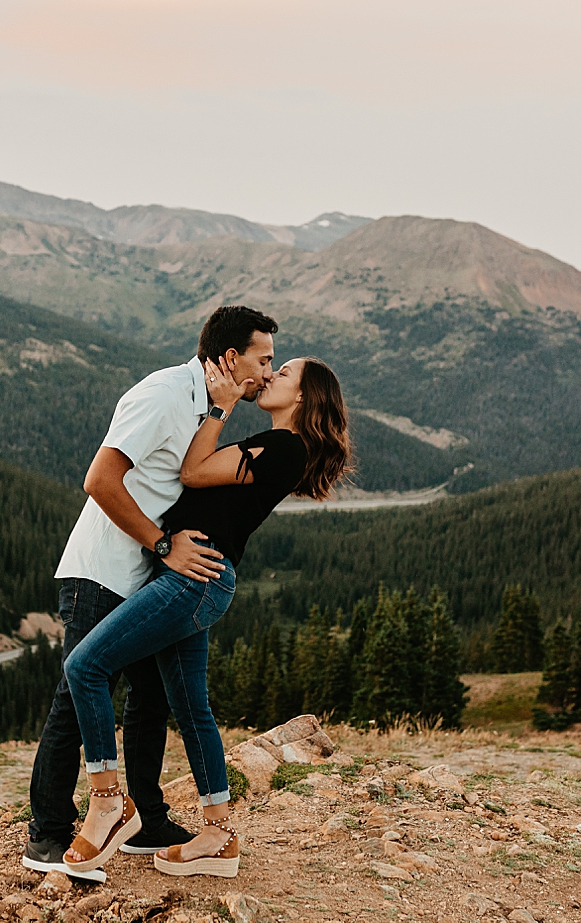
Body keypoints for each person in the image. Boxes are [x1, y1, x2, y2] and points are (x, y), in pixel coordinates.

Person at [59, 353, 353, 878]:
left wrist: (220, 406)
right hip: (197, 578)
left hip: (193, 580)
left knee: (85, 667)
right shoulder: (281, 446)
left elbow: (192, 472)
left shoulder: (285, 446)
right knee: (192, 708)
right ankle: (218, 836)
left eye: (282, 373)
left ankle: (108, 802)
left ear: (305, 397)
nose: (270, 375)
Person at [22, 306, 280, 875]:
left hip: (138, 576)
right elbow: (99, 480)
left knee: (150, 698)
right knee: (77, 692)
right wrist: (163, 544)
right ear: (230, 357)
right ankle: (48, 833)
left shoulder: (207, 405)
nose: (269, 371)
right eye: (263, 359)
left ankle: (148, 822)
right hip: (103, 569)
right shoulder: (164, 393)